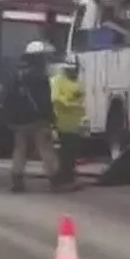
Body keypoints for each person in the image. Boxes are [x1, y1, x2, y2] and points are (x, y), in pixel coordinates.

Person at [3, 40, 66, 192]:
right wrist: (51, 118)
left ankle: (17, 180)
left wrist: (10, 118)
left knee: (20, 150)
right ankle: (55, 180)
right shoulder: (40, 78)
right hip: (38, 120)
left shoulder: (17, 75)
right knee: (46, 149)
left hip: (20, 122)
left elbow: (9, 98)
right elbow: (45, 101)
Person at [50, 57, 85, 185]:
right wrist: (71, 103)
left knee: (72, 152)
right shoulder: (58, 81)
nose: (74, 72)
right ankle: (62, 177)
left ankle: (69, 176)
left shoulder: (78, 83)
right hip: (61, 123)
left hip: (74, 124)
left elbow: (81, 101)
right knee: (64, 152)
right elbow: (56, 100)